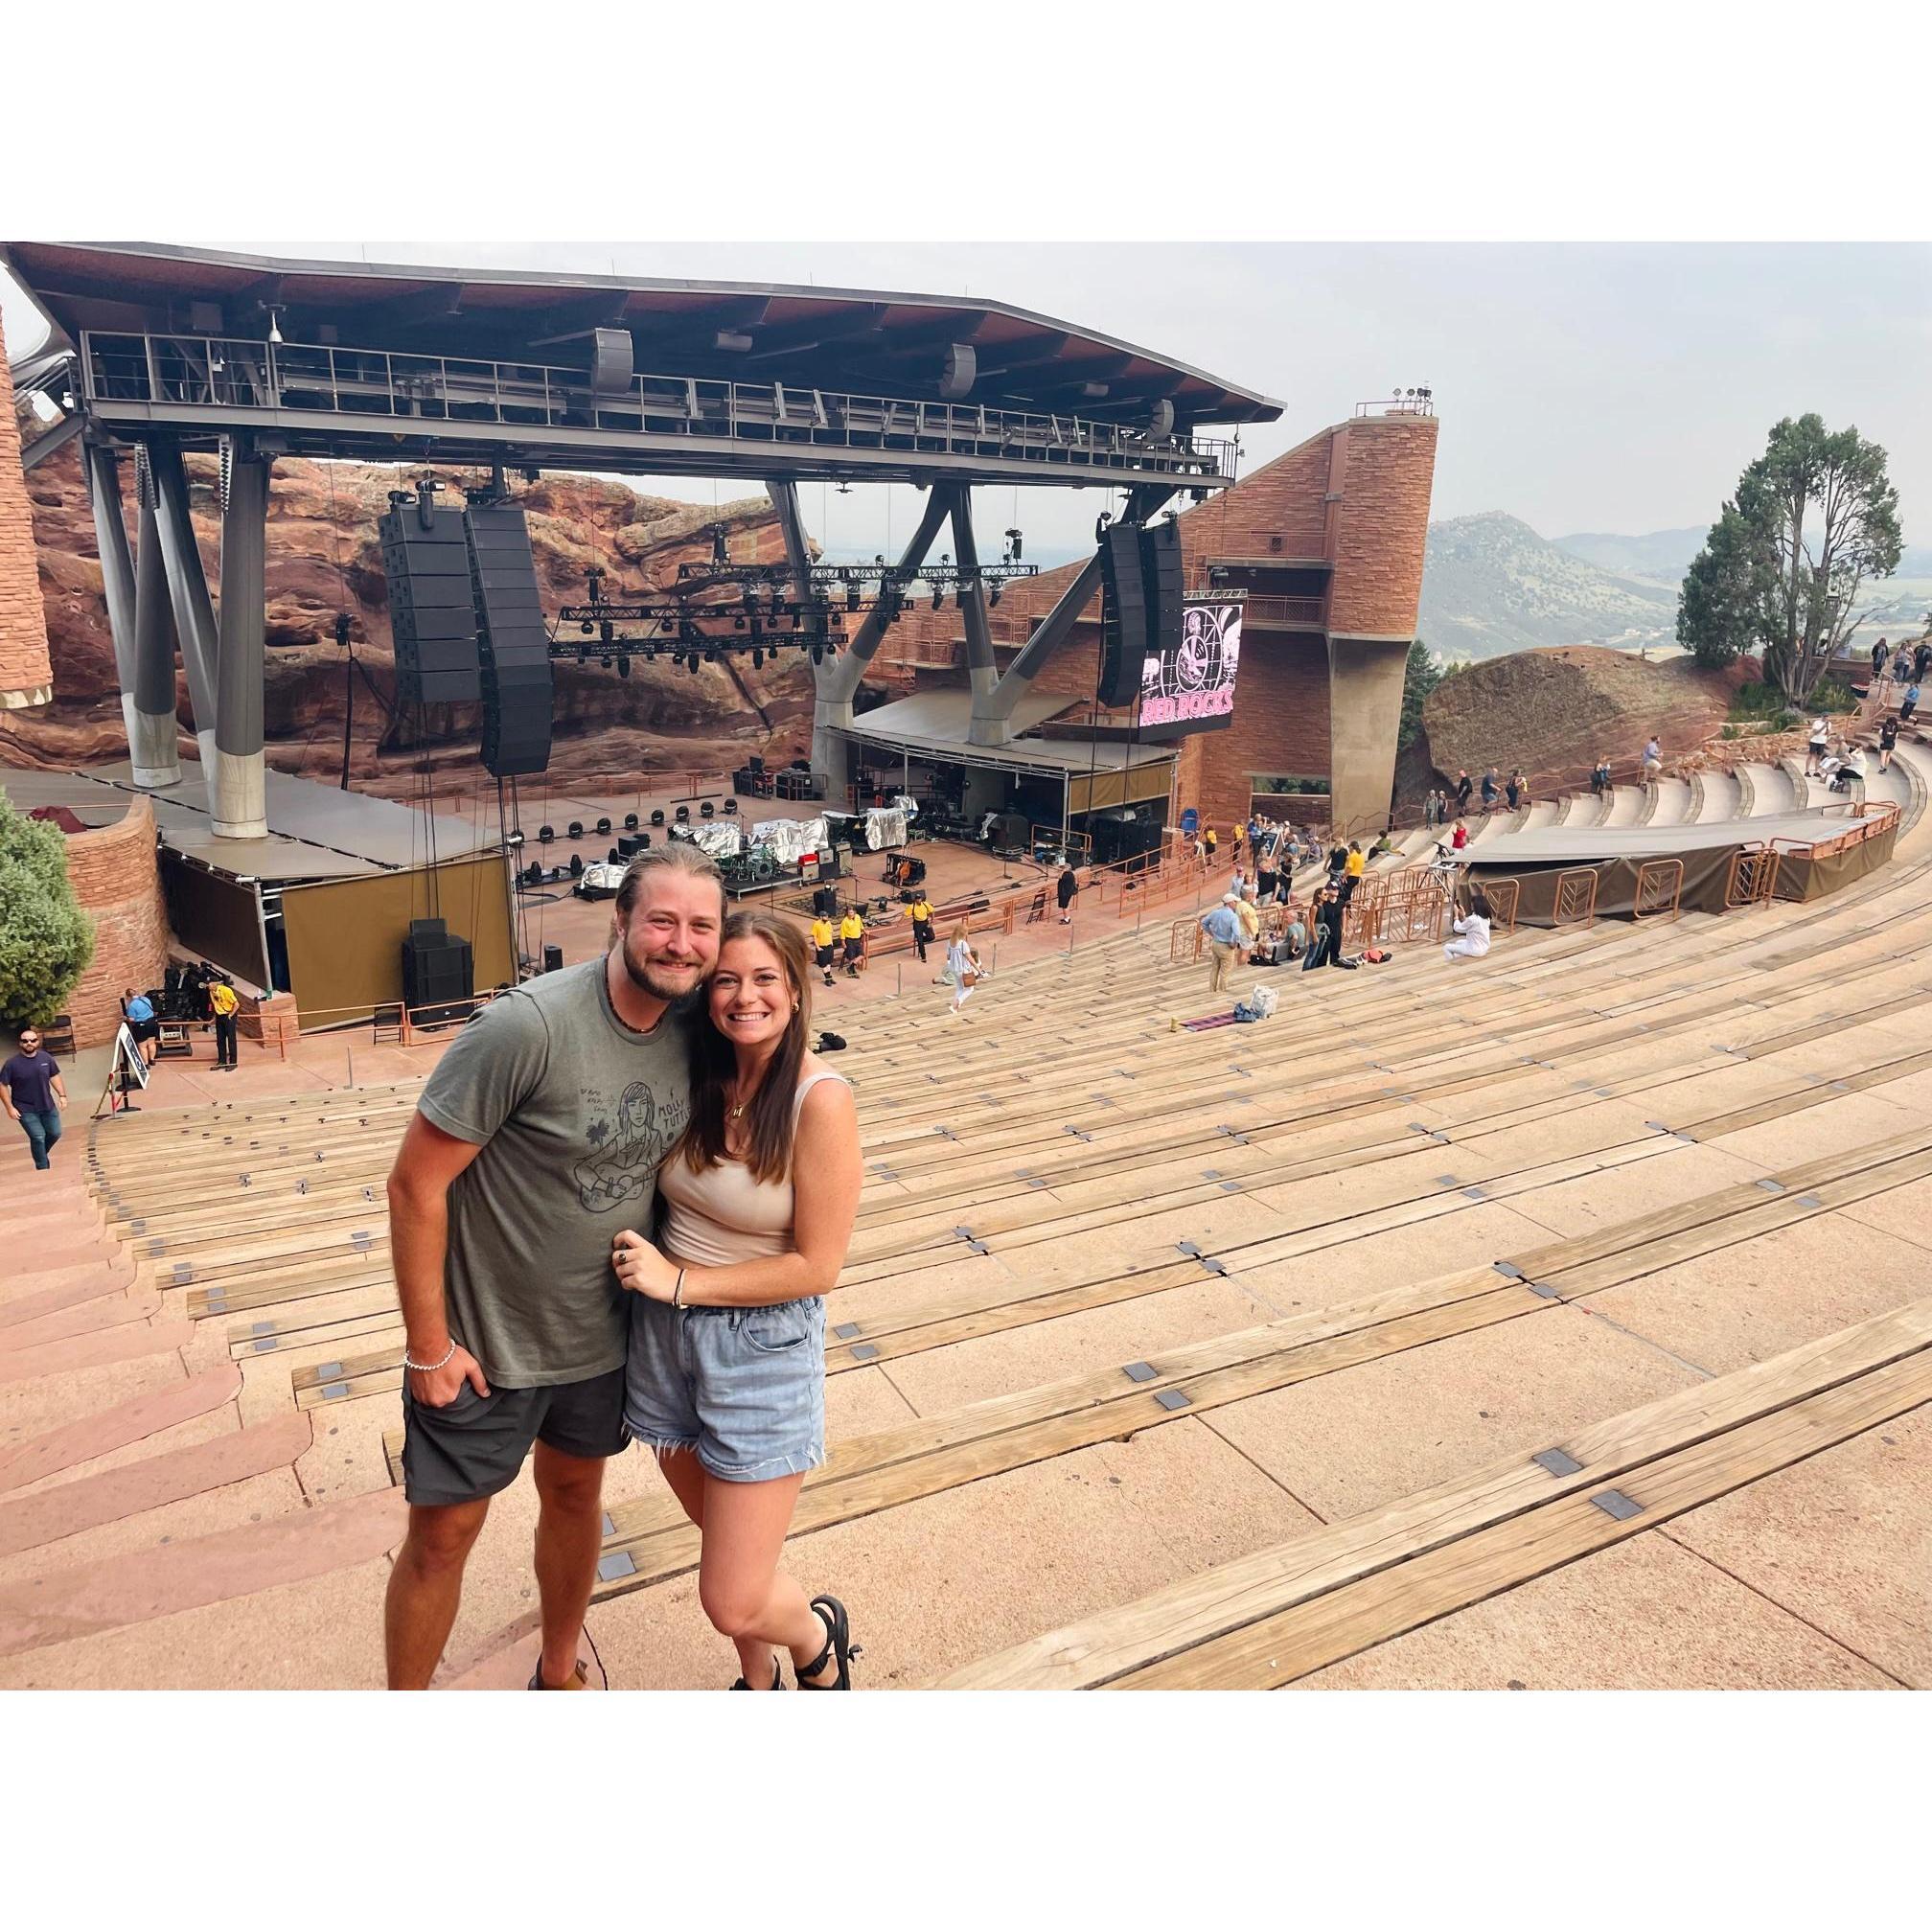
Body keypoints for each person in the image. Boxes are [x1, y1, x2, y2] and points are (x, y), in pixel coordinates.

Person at [382, 842, 724, 1691]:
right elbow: (414, 1184)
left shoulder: (695, 1027)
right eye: (662, 921)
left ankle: (560, 1673)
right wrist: (429, 1345)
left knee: (575, 1499)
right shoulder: (525, 1028)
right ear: (620, 921)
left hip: (602, 1340)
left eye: (700, 927)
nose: (680, 943)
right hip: (486, 1346)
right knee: (444, 1537)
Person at [614, 911, 863, 1690]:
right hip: (664, 1345)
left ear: (794, 986)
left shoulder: (819, 1102)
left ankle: (817, 1643)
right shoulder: (700, 1073)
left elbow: (817, 1267)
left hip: (757, 1351)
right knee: (723, 1541)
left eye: (763, 978)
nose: (743, 996)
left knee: (730, 1596)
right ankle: (756, 1685)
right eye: (726, 979)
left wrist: (682, 1283)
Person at [3, 1025, 67, 1173]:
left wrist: (62, 1095)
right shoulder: (12, 1064)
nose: (29, 1043)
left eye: (32, 1040)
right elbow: (2, 1085)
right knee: (38, 1136)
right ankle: (43, 1168)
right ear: (20, 1044)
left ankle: (40, 1154)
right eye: (25, 1041)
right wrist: (9, 1108)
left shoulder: (46, 1058)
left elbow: (54, 1076)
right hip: (24, 1108)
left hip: (47, 1105)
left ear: (37, 1042)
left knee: (55, 1133)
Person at [1201, 892, 1245, 995]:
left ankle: (1212, 990)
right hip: (1226, 945)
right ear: (1230, 903)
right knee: (1225, 971)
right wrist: (1234, 943)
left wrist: (1212, 933)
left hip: (1216, 943)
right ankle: (1222, 992)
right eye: (1234, 902)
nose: (1236, 904)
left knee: (1214, 968)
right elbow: (1237, 933)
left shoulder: (1215, 913)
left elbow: (1204, 923)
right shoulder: (1233, 916)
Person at [1300, 886, 1346, 971]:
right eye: (1325, 894)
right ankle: (1306, 970)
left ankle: (1313, 969)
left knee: (1318, 954)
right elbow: (1311, 922)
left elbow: (1343, 914)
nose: (1327, 896)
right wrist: (1314, 935)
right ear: (1319, 896)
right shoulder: (1315, 907)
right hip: (1317, 931)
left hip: (1323, 932)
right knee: (1312, 954)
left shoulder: (1323, 905)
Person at [1443, 889, 1494, 964]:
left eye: (1472, 906)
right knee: (1458, 942)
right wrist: (1463, 915)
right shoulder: (1486, 918)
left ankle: (1452, 965)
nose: (1472, 907)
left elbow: (1458, 928)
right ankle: (1458, 960)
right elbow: (1471, 926)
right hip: (1483, 947)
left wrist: (1456, 916)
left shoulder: (1473, 919)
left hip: (1475, 950)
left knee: (1446, 947)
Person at [945, 924, 984, 1015]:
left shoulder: (950, 942)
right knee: (970, 989)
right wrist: (979, 970)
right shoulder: (963, 944)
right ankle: (956, 1004)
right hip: (963, 970)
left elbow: (948, 957)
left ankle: (955, 1008)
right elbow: (970, 958)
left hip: (954, 969)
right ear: (963, 934)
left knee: (959, 988)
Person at [208, 975, 240, 1070]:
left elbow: (237, 1004)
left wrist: (230, 1015)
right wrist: (214, 1017)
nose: (208, 985)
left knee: (231, 1039)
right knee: (220, 1040)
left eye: (209, 983)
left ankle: (233, 1062)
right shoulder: (211, 992)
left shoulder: (226, 990)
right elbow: (215, 1005)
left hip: (229, 1015)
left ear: (215, 983)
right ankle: (222, 1061)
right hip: (219, 1016)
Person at [123, 986, 159, 1067]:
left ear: (128, 997)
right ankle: (152, 1060)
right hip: (152, 1022)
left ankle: (146, 1064)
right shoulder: (146, 999)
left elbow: (132, 1019)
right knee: (152, 1043)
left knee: (142, 1046)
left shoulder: (132, 1005)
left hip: (141, 1026)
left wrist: (126, 1018)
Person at [905, 892, 935, 963]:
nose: (918, 900)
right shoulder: (912, 906)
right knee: (920, 940)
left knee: (931, 937)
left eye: (919, 899)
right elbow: (905, 915)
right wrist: (899, 924)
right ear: (915, 900)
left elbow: (932, 910)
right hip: (917, 924)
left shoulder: (925, 904)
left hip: (925, 922)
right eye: (917, 899)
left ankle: (920, 941)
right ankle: (923, 957)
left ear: (921, 899)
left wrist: (932, 921)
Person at [810, 911, 837, 989]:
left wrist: (831, 943)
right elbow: (814, 936)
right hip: (821, 946)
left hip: (829, 946)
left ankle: (829, 978)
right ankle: (827, 979)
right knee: (823, 964)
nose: (827, 918)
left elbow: (830, 933)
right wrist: (818, 947)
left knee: (829, 962)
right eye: (825, 916)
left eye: (827, 916)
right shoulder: (816, 924)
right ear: (821, 917)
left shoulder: (828, 923)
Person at [838, 905, 864, 978]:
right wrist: (843, 942)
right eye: (849, 913)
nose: (850, 914)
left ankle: (851, 968)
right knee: (851, 957)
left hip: (857, 940)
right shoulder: (845, 921)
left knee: (861, 955)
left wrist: (864, 930)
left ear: (854, 913)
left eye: (852, 913)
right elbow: (842, 933)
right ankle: (852, 972)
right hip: (849, 940)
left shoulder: (858, 917)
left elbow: (861, 926)